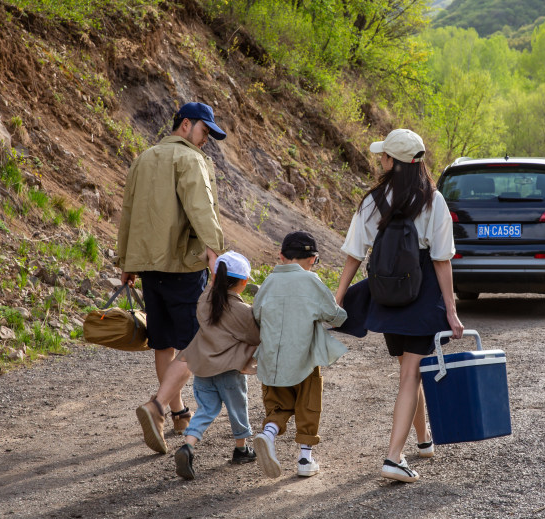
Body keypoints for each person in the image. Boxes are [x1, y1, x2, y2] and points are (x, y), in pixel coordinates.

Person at [334, 128, 464, 483]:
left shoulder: (373, 200)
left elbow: (354, 254)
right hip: (420, 294)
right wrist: (450, 311)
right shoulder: (433, 201)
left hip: (386, 294)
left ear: (394, 161)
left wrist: (339, 296)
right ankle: (393, 458)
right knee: (411, 372)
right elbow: (441, 259)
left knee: (410, 370)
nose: (380, 160)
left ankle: (423, 441)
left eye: (384, 155)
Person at [117, 102, 227, 452]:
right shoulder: (190, 159)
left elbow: (129, 212)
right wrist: (214, 251)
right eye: (204, 130)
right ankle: (157, 407)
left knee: (163, 343)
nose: (206, 138)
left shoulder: (144, 158)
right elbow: (201, 207)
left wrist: (127, 261)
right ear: (185, 125)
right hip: (182, 266)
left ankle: (179, 413)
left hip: (149, 267)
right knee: (197, 345)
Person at [251, 231, 348, 478]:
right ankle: (305, 460)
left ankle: (268, 434)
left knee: (279, 405)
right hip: (304, 358)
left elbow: (256, 316)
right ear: (313, 259)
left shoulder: (268, 283)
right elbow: (335, 315)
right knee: (308, 403)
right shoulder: (311, 281)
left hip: (271, 360)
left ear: (281, 256)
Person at [172, 251, 261, 480]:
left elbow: (213, 282)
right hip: (229, 370)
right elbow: (255, 337)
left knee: (206, 409)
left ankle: (188, 445)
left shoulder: (205, 299)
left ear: (215, 278)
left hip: (202, 367)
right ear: (244, 282)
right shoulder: (242, 311)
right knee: (237, 407)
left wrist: (210, 260)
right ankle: (241, 449)